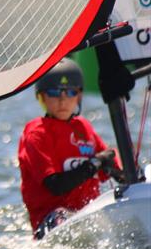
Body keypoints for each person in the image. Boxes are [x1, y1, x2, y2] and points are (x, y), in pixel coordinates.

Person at [18, 58, 122, 239]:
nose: (62, 100)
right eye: (54, 92)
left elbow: (112, 170)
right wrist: (95, 163)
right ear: (41, 97)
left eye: (70, 92)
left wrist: (120, 168)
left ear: (79, 96)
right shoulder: (36, 134)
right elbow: (56, 186)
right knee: (65, 219)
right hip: (52, 219)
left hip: (88, 213)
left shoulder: (84, 128)